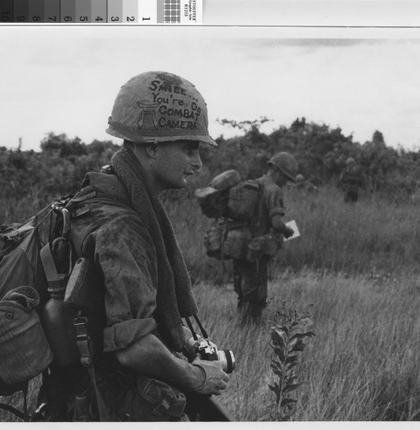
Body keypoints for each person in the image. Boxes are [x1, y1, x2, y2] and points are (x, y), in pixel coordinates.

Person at [57, 71, 230, 421]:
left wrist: (180, 338)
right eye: (189, 148)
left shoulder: (96, 197)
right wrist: (197, 377)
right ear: (150, 146)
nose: (197, 164)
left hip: (78, 395)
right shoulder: (124, 227)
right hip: (111, 402)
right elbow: (133, 348)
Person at [232, 152, 297, 323]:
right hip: (257, 248)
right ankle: (250, 329)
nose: (286, 183)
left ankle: (242, 323)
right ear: (279, 172)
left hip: (239, 244)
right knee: (256, 292)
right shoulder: (274, 190)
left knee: (244, 288)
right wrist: (288, 231)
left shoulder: (254, 184)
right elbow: (276, 223)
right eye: (287, 179)